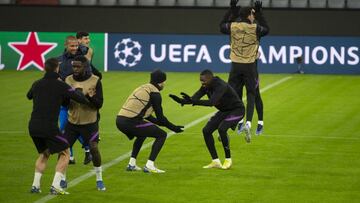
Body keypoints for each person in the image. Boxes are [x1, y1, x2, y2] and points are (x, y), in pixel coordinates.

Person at [27, 57, 90, 195]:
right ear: (57, 68)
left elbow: (29, 95)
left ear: (45, 68)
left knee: (45, 153)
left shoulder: (37, 83)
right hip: (49, 127)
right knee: (65, 152)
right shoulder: (61, 85)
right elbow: (81, 99)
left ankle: (35, 186)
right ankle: (56, 186)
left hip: (33, 126)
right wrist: (78, 91)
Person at [169, 69, 246, 170]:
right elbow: (195, 97)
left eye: (204, 81)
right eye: (201, 81)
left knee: (222, 129)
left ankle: (228, 160)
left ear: (211, 78)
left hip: (237, 110)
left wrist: (193, 101)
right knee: (206, 131)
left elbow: (211, 102)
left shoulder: (220, 85)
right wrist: (182, 101)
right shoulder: (206, 86)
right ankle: (215, 161)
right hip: (224, 111)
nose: (202, 83)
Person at [116, 69, 184, 173]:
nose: (164, 84)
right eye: (164, 81)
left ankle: (132, 164)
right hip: (131, 122)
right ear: (160, 82)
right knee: (161, 135)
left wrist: (164, 124)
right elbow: (161, 118)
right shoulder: (155, 94)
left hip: (120, 120)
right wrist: (173, 128)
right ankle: (149, 165)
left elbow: (147, 116)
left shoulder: (144, 87)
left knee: (142, 134)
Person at [220, 0, 269, 137]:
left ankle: (231, 123)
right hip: (250, 66)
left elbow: (221, 25)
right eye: (252, 14)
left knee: (235, 94)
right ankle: (248, 122)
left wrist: (232, 10)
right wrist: (260, 14)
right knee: (253, 94)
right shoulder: (255, 28)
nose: (254, 16)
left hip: (235, 66)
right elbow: (266, 29)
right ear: (249, 15)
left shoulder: (233, 26)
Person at [64, 55, 106, 191]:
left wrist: (88, 96)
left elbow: (99, 104)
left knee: (94, 148)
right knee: (64, 151)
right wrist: (68, 96)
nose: (75, 69)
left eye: (78, 66)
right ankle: (62, 178)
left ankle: (99, 179)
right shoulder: (68, 80)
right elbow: (64, 103)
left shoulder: (95, 81)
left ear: (85, 66)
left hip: (90, 123)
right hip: (72, 123)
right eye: (73, 66)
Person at [57, 36, 92, 165]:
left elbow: (89, 76)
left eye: (76, 46)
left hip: (78, 101)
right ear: (66, 45)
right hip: (64, 101)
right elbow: (55, 77)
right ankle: (70, 155)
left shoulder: (82, 60)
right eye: (72, 46)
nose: (74, 48)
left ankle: (88, 150)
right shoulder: (59, 61)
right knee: (64, 128)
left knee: (79, 129)